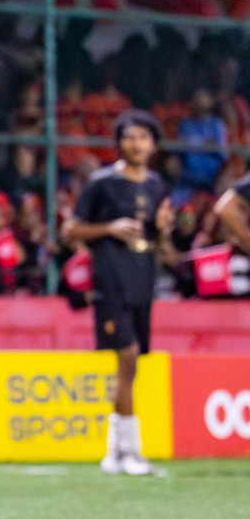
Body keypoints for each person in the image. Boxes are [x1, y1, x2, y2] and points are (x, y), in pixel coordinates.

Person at [61, 111, 172, 476]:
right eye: (129, 137)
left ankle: (114, 452)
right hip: (110, 281)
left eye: (143, 137)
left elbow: (160, 243)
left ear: (153, 144)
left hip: (143, 280)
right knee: (128, 355)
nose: (136, 143)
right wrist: (109, 227)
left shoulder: (157, 185)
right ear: (119, 142)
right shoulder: (101, 183)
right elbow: (70, 230)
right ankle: (131, 452)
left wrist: (165, 229)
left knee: (132, 364)